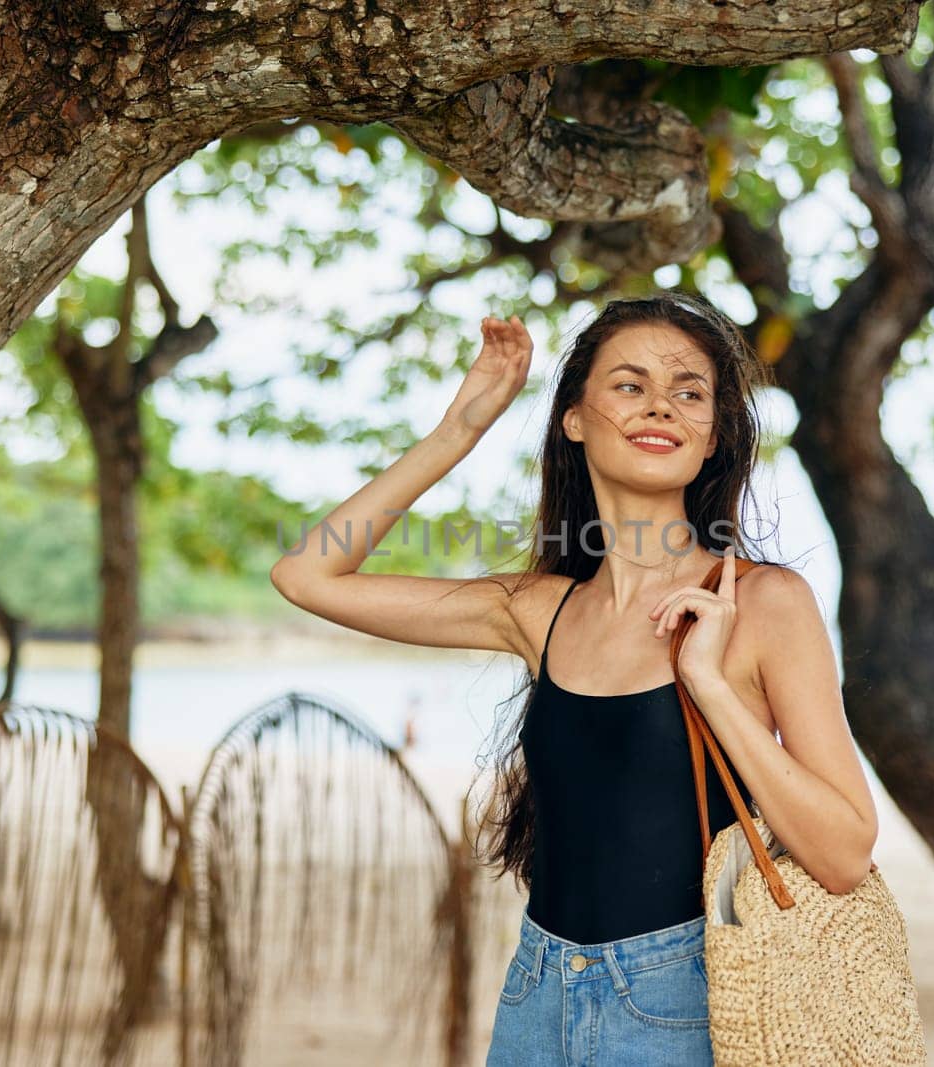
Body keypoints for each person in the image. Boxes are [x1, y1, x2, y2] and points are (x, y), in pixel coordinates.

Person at [269, 291, 879, 1066]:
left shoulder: (760, 602)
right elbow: (307, 575)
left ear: (713, 435)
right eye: (629, 385)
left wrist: (713, 687)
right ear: (575, 417)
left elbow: (843, 852)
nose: (661, 404)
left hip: (685, 1001)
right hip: (537, 992)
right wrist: (461, 427)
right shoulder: (534, 609)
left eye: (689, 391)